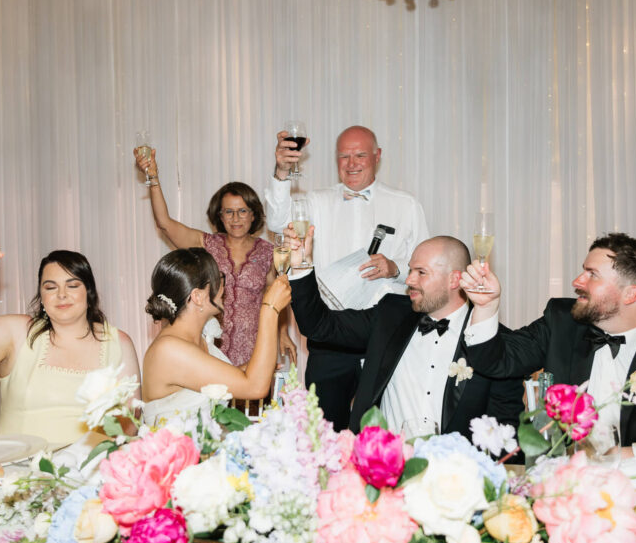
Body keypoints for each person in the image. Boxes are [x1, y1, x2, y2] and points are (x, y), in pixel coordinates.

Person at [461, 233, 636, 459]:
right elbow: (496, 361)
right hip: (563, 487)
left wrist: (624, 456)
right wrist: (486, 307)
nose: (577, 282)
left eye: (592, 274)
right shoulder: (561, 322)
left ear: (630, 294)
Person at [285, 227, 523, 436]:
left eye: (421, 272)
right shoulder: (390, 316)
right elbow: (319, 326)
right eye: (410, 270)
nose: (408, 280)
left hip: (455, 469)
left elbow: (506, 433)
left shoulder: (496, 344)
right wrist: (300, 264)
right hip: (384, 465)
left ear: (454, 280)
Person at [266, 125, 429, 428]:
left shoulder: (405, 205)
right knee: (324, 431)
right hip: (330, 332)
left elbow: (426, 270)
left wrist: (395, 268)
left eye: (360, 155)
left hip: (383, 335)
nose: (351, 163)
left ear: (377, 156)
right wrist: (282, 172)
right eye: (344, 156)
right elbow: (277, 222)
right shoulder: (316, 201)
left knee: (381, 431)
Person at [0, 243, 141, 447]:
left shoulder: (119, 343)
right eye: (50, 287)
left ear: (89, 292)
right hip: (14, 464)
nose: (61, 294)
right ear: (41, 298)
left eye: (72, 285)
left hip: (85, 466)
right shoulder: (19, 333)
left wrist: (88, 457)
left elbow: (131, 420)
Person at [134, 149, 296, 367]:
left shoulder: (268, 252)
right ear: (219, 215)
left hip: (253, 349)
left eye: (243, 211)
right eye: (228, 212)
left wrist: (283, 333)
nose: (235, 218)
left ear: (254, 214)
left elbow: (277, 297)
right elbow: (164, 223)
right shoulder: (207, 244)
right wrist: (153, 177)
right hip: (209, 348)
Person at [141, 248, 292, 426]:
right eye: (217, 279)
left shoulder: (196, 338)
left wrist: (254, 368)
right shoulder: (169, 349)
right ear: (197, 296)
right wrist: (269, 309)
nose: (223, 286)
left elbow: (206, 380)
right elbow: (255, 387)